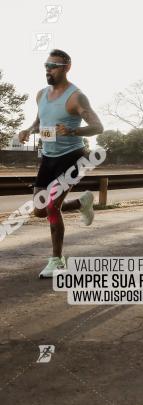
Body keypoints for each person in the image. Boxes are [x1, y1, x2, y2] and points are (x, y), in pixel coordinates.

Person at [18, 50, 103, 278]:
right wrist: (29, 129)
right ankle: (82, 202)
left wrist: (73, 130)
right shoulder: (41, 94)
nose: (48, 69)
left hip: (72, 157)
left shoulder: (76, 97)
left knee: (52, 207)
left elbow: (98, 127)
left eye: (54, 65)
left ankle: (57, 261)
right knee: (40, 210)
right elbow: (40, 120)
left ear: (67, 67)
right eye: (46, 65)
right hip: (48, 157)